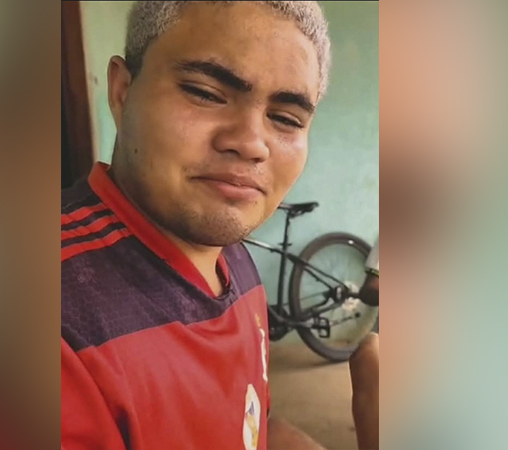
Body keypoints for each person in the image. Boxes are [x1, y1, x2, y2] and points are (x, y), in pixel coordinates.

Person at [61, 2, 378, 449]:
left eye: (286, 119)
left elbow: (254, 427)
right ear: (122, 91)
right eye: (205, 93)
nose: (251, 143)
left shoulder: (235, 262)